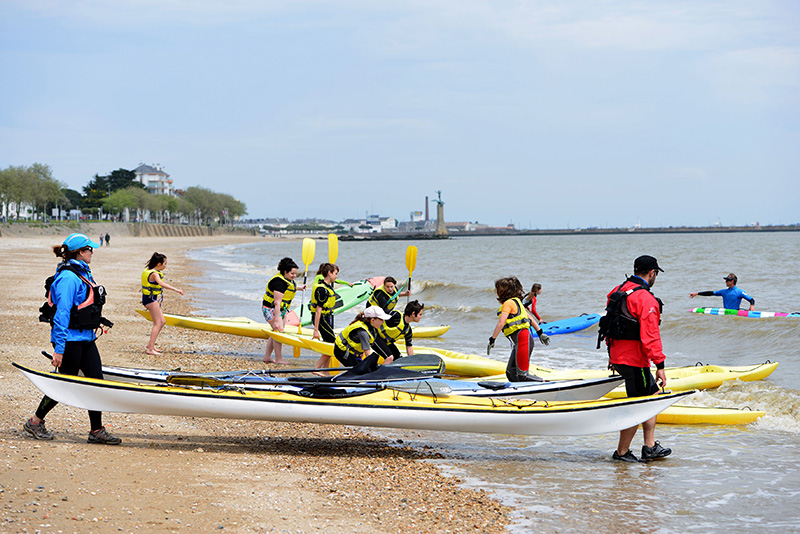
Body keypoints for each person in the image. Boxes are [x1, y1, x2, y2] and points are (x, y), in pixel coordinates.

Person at [23, 233, 121, 445]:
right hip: (69, 340)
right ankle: (35, 421)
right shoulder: (68, 278)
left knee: (96, 383)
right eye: (90, 249)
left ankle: (96, 430)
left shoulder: (83, 273)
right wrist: (59, 348)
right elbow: (62, 315)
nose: (92, 253)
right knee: (64, 385)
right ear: (80, 252)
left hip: (85, 339)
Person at [605, 255, 671, 463]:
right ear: (652, 273)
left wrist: (611, 354)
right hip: (634, 361)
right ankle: (622, 452)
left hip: (618, 356)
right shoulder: (645, 299)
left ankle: (650, 446)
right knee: (638, 406)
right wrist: (660, 365)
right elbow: (650, 336)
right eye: (656, 274)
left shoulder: (618, 290)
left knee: (653, 395)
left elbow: (609, 324)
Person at [487, 277, 550, 382]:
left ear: (502, 291)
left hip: (523, 340)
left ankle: (545, 383)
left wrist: (492, 339)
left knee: (523, 375)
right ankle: (517, 393)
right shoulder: (517, 302)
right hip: (522, 341)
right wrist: (540, 333)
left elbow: (501, 323)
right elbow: (529, 318)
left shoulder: (508, 304)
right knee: (510, 373)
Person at [262, 257, 306, 364]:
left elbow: (289, 288)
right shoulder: (278, 283)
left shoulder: (287, 280)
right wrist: (277, 320)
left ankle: (267, 357)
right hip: (271, 309)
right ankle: (279, 359)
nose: (294, 276)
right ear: (285, 272)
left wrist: (300, 288)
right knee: (279, 332)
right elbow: (277, 303)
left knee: (275, 332)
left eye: (296, 273)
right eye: (292, 273)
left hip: (282, 310)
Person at [142, 252, 184, 356]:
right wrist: (176, 289)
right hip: (150, 300)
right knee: (157, 323)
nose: (166, 265)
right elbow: (161, 284)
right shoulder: (154, 274)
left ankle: (150, 344)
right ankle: (150, 349)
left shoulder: (149, 271)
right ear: (159, 264)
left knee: (163, 321)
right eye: (165, 263)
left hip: (150, 299)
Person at [333, 306, 391, 372]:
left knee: (362, 370)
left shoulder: (371, 327)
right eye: (381, 319)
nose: (383, 322)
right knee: (359, 372)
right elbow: (368, 356)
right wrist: (373, 372)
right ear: (372, 320)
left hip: (353, 352)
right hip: (341, 351)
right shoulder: (363, 332)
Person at [311, 263, 342, 375]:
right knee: (332, 344)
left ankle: (325, 370)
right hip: (322, 318)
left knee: (328, 344)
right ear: (329, 273)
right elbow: (318, 310)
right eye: (335, 274)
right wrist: (315, 330)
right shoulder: (322, 290)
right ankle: (317, 368)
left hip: (327, 317)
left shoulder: (328, 287)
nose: (337, 276)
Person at [689, 273, 755, 311]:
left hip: (735, 312)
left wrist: (751, 306)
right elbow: (711, 293)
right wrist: (697, 293)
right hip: (725, 312)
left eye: (727, 280)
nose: (725, 281)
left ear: (732, 281)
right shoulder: (724, 292)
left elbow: (751, 299)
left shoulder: (739, 292)